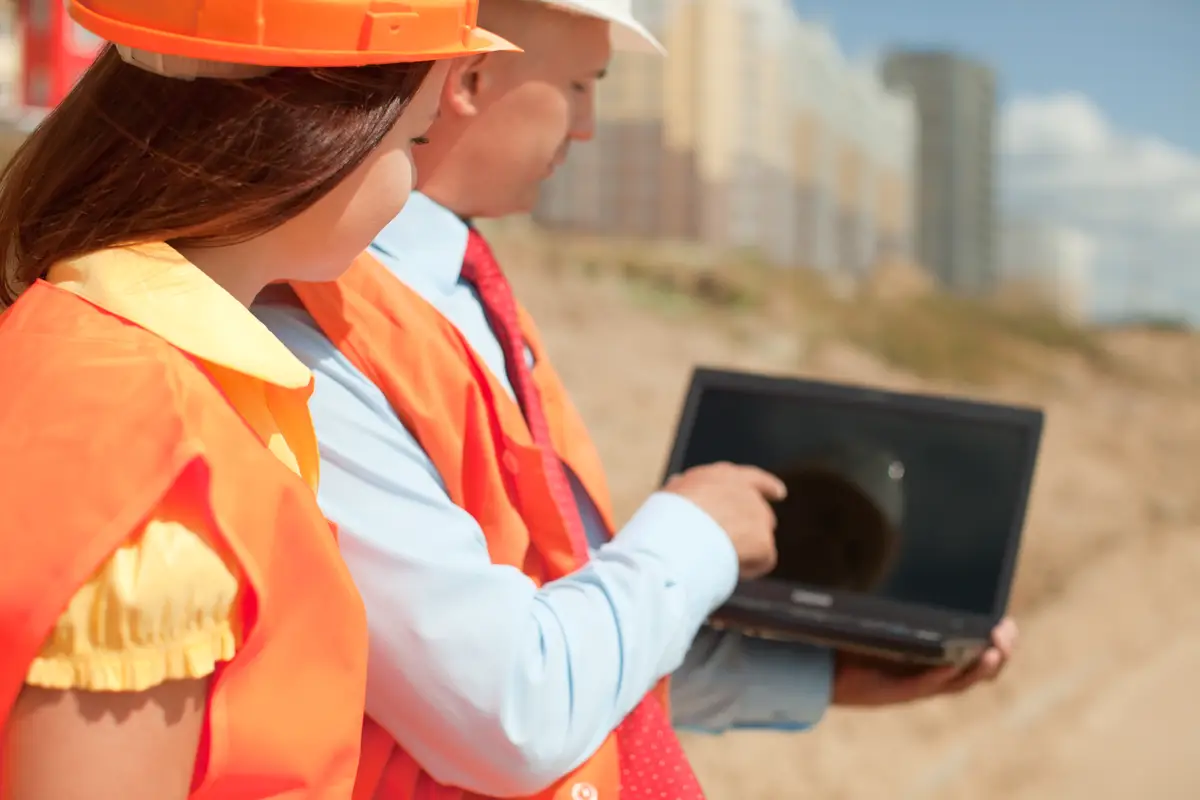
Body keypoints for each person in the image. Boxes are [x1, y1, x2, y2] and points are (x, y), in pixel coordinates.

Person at [256, 0, 1019, 796]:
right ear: (472, 78)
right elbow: (508, 707)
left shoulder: (464, 298)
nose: (587, 128)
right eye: (582, 86)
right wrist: (695, 533)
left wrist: (822, 679)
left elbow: (564, 622)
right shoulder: (306, 323)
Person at [0, 2, 515, 798]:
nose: (410, 186)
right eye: (411, 140)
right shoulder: (155, 463)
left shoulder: (88, 347)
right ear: (314, 132)